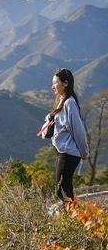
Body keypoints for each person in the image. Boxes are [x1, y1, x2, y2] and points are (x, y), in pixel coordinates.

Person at [49, 68, 89, 207]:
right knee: (66, 188)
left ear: (65, 83)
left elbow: (78, 130)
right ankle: (77, 218)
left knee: (61, 190)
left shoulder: (69, 103)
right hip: (63, 152)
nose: (52, 86)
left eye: (55, 83)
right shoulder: (61, 100)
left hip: (69, 153)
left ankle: (74, 218)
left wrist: (84, 152)